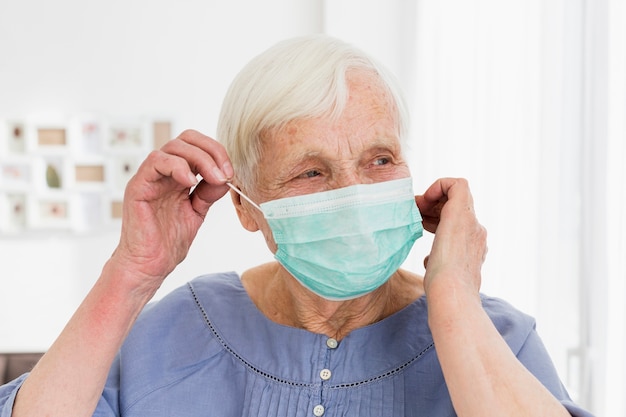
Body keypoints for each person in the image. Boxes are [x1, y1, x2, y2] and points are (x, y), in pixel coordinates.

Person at [0, 34, 593, 417]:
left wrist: (455, 301)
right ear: (245, 207)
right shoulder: (172, 336)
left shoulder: (499, 340)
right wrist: (132, 273)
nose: (354, 193)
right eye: (311, 172)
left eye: (380, 160)